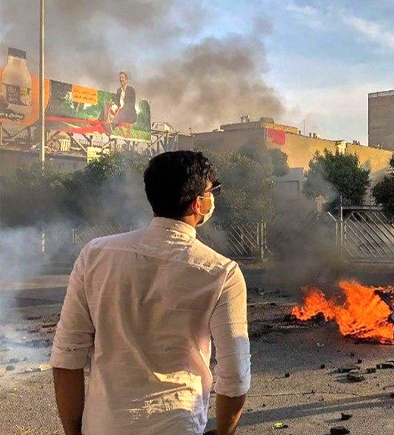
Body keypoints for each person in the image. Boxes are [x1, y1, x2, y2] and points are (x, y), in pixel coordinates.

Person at [50, 151, 251, 435]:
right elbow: (235, 376)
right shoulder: (222, 273)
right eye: (212, 192)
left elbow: (66, 357)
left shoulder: (95, 254)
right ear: (198, 203)